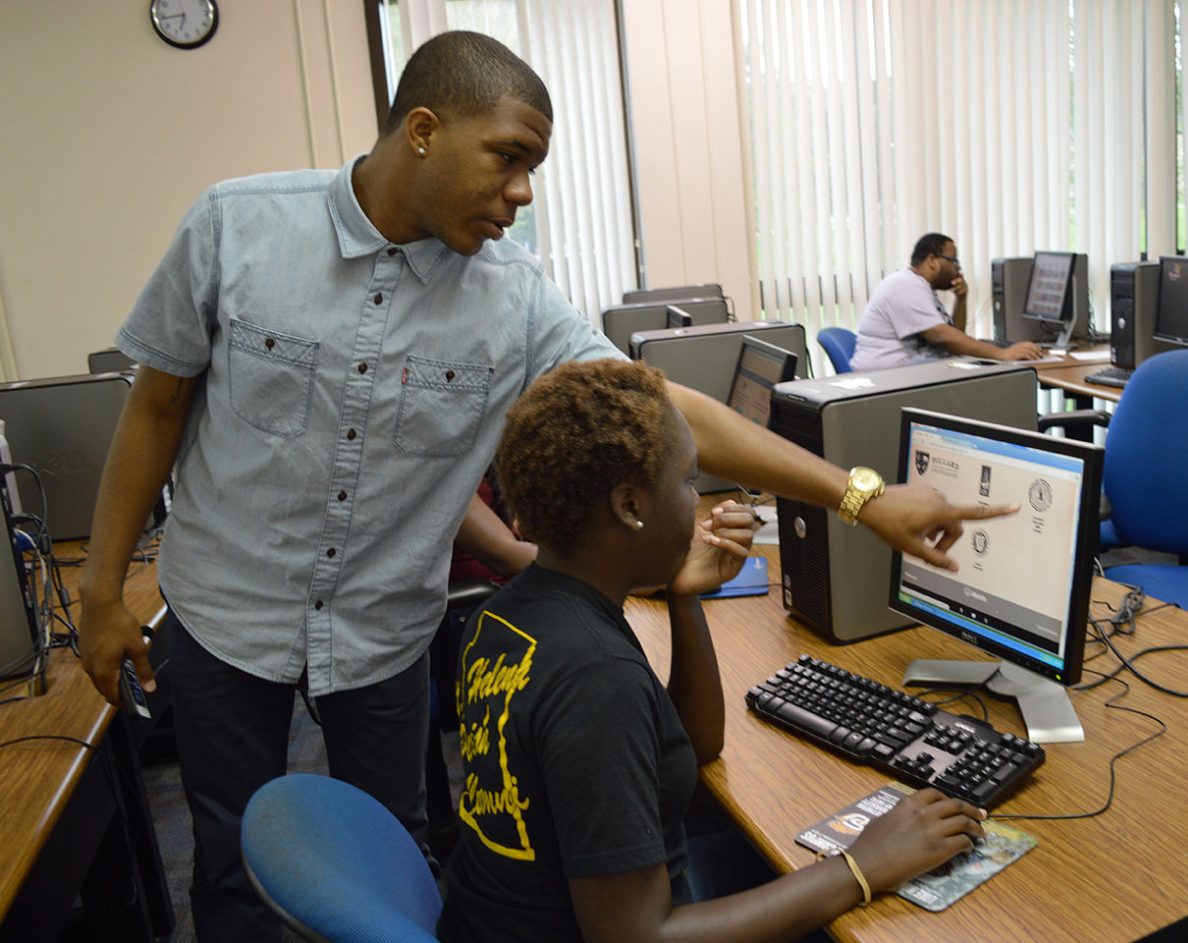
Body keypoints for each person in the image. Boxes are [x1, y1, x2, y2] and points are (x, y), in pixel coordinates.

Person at [78, 31, 1017, 940]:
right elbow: (155, 410)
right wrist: (101, 591)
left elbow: (662, 407)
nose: (522, 193)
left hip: (381, 629)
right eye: (509, 157)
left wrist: (860, 496)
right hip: (225, 609)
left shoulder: (511, 293)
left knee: (398, 857)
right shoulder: (234, 226)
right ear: (423, 129)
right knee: (232, 871)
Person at [439, 359, 987, 943]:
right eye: (687, 481)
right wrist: (862, 866)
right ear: (629, 507)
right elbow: (640, 936)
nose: (697, 501)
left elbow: (691, 746)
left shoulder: (513, 614)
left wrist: (684, 599)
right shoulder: (593, 676)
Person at [850, 233, 1044, 370]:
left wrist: (961, 299)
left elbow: (954, 338)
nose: (958, 269)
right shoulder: (906, 285)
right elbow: (941, 336)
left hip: (908, 372)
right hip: (889, 380)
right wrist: (1002, 354)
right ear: (932, 260)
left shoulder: (920, 287)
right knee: (999, 380)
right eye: (953, 261)